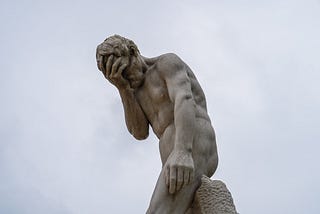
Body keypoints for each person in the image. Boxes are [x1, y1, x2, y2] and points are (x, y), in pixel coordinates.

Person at [96, 35, 218, 214]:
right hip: (171, 153)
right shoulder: (133, 91)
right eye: (118, 77)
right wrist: (123, 89)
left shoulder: (166, 64)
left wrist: (183, 151)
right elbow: (139, 132)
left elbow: (184, 99)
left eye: (124, 71)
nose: (125, 78)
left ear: (133, 53)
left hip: (194, 140)